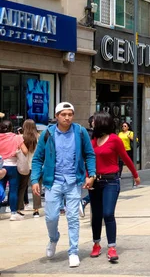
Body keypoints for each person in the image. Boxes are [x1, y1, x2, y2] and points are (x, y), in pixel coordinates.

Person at [31, 102, 97, 268]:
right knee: (51, 217)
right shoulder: (48, 133)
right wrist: (34, 180)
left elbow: (89, 155)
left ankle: (73, 251)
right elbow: (38, 158)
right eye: (63, 114)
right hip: (53, 182)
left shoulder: (80, 132)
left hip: (74, 181)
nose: (67, 117)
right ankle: (54, 239)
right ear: (56, 116)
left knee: (73, 217)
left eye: (70, 114)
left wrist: (92, 175)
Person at [89, 112, 141, 262]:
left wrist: (135, 175)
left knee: (108, 213)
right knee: (96, 215)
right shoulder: (93, 140)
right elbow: (88, 159)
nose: (92, 122)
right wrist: (88, 176)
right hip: (95, 182)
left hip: (111, 181)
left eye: (95, 120)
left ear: (102, 122)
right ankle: (96, 244)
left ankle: (111, 247)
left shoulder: (114, 140)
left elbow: (126, 158)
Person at [0, 120, 27, 220]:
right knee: (13, 190)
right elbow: (25, 151)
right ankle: (13, 213)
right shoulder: (17, 138)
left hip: (0, 167)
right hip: (13, 166)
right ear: (11, 128)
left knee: (0, 189)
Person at [17, 119, 41, 217]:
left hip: (24, 166)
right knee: (36, 188)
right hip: (36, 165)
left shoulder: (21, 137)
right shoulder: (39, 136)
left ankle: (18, 209)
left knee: (22, 188)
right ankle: (36, 210)